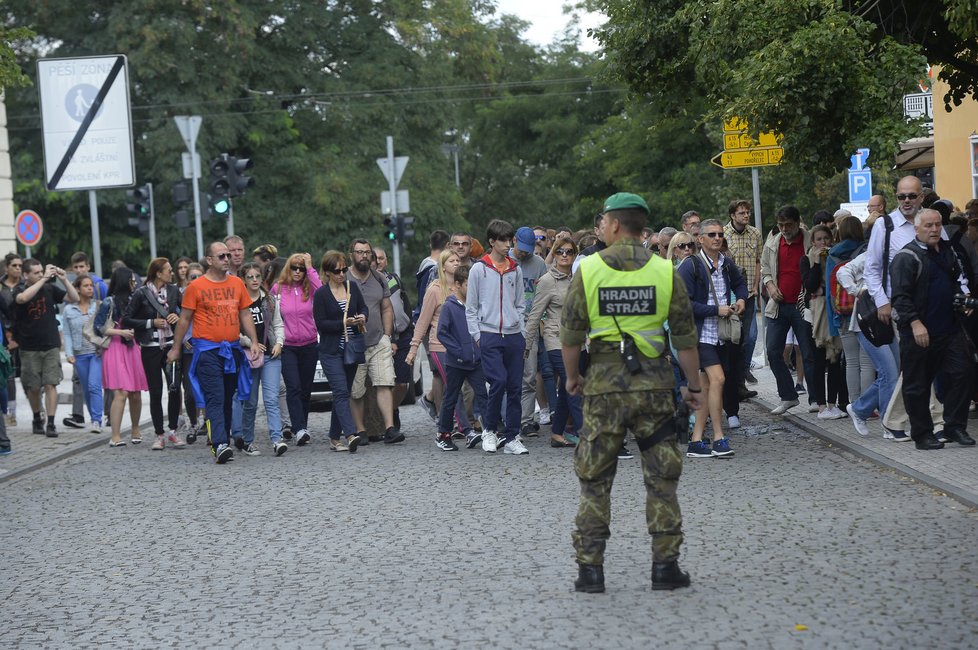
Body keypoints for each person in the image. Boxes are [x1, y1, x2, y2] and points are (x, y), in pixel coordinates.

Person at [561, 191, 701, 594]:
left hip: (604, 389)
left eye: (604, 220)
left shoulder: (587, 271)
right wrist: (692, 386)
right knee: (661, 479)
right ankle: (665, 567)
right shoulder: (664, 271)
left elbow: (570, 334)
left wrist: (573, 377)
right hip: (654, 388)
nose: (601, 226)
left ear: (617, 225)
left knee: (595, 481)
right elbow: (686, 338)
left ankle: (590, 571)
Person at [890, 208, 976, 450]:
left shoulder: (948, 251)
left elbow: (956, 282)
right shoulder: (906, 257)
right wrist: (916, 323)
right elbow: (900, 297)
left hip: (950, 329)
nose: (934, 229)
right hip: (918, 333)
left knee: (963, 373)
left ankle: (954, 426)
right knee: (917, 385)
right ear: (917, 229)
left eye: (937, 224)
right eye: (928, 225)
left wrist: (963, 301)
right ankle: (923, 433)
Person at [167, 242, 259, 464]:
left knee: (228, 397)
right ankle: (219, 444)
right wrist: (176, 348)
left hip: (232, 350)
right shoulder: (196, 287)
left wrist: (254, 341)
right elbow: (185, 320)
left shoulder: (237, 283)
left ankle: (222, 439)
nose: (227, 259)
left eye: (228, 255)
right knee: (215, 397)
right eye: (221, 256)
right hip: (208, 351)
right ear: (209, 260)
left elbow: (245, 315)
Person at [678, 219, 747, 456]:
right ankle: (719, 437)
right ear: (701, 239)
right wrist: (715, 310)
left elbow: (741, 284)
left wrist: (740, 300)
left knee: (707, 386)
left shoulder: (727, 264)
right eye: (712, 234)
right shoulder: (690, 266)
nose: (717, 238)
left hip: (721, 334)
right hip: (698, 334)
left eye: (720, 234)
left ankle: (696, 441)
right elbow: (684, 304)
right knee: (718, 379)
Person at [466, 219, 528, 455]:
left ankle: (512, 436)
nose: (508, 244)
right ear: (492, 241)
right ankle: (489, 430)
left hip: (513, 335)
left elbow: (521, 303)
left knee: (515, 386)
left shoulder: (516, 269)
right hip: (489, 334)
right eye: (503, 240)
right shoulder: (479, 269)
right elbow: (470, 307)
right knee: (498, 381)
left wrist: (521, 331)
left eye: (509, 240)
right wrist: (477, 336)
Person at [525, 235, 582, 448]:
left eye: (569, 251)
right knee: (572, 383)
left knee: (569, 388)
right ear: (554, 254)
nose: (564, 255)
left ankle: (557, 433)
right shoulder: (548, 281)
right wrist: (527, 346)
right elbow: (535, 314)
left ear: (575, 255)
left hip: (578, 341)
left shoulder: (578, 279)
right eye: (560, 251)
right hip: (555, 340)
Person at [124, 258, 186, 450]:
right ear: (158, 273)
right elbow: (127, 319)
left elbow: (187, 313)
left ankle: (173, 431)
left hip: (171, 345)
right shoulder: (141, 294)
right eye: (168, 270)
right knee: (156, 391)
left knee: (174, 388)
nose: (172, 273)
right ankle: (159, 434)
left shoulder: (175, 291)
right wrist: (151, 323)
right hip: (150, 347)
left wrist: (179, 316)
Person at [407, 249, 470, 438]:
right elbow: (423, 321)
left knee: (465, 385)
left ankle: (445, 424)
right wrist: (413, 348)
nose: (456, 263)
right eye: (451, 261)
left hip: (462, 345)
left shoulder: (465, 287)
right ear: (443, 267)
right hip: (440, 345)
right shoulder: (435, 289)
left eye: (458, 260)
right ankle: (465, 428)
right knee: (453, 385)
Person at [13, 259, 79, 436]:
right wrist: (44, 279)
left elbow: (75, 298)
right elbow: (23, 298)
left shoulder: (49, 289)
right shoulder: (19, 289)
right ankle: (36, 416)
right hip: (29, 347)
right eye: (36, 272)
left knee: (51, 384)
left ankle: (50, 422)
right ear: (26, 275)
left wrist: (64, 279)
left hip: (50, 345)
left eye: (42, 271)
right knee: (33, 387)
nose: (41, 274)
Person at [347, 239, 402, 444]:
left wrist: (387, 336)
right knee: (357, 389)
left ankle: (389, 428)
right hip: (354, 342)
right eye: (359, 252)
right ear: (351, 254)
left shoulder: (379, 278)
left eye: (367, 252)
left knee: (384, 382)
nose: (364, 256)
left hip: (378, 340)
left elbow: (387, 308)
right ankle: (360, 430)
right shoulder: (344, 278)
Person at [760, 205, 813, 414]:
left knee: (808, 353)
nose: (783, 229)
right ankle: (788, 396)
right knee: (773, 351)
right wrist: (770, 286)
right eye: (780, 225)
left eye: (788, 225)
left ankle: (816, 399)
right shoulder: (772, 242)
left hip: (802, 306)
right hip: (778, 306)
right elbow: (765, 268)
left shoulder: (809, 240)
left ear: (797, 222)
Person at [313, 251, 367, 452]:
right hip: (330, 350)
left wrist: (362, 316)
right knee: (341, 391)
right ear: (327, 272)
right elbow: (321, 324)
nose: (342, 274)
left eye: (344, 270)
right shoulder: (321, 294)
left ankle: (334, 437)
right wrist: (343, 322)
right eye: (337, 271)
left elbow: (363, 307)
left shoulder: (352, 287)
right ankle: (351, 434)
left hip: (351, 348)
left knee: (342, 393)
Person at [233, 263, 286, 457]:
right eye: (250, 277)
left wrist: (279, 342)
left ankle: (277, 439)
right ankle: (247, 440)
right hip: (250, 356)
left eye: (257, 277)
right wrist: (249, 342)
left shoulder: (270, 300)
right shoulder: (238, 302)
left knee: (271, 399)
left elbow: (279, 324)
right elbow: (234, 331)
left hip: (271, 355)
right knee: (251, 401)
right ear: (243, 280)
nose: (255, 280)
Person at [435, 265, 489, 451]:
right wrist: (459, 351)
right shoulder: (449, 306)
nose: (473, 289)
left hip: (476, 361)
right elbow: (442, 333)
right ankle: (443, 434)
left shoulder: (477, 306)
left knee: (483, 395)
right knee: (450, 397)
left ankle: (490, 431)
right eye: (468, 285)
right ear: (457, 285)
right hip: (456, 362)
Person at [271, 252, 321, 447]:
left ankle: (303, 426)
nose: (298, 271)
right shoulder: (279, 289)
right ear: (288, 269)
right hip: (288, 345)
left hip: (309, 343)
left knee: (306, 389)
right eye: (295, 267)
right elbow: (272, 315)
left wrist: (311, 267)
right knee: (294, 387)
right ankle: (299, 428)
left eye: (302, 268)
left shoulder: (310, 288)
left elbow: (323, 291)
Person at [94, 267, 147, 447]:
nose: (134, 282)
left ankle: (135, 429)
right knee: (121, 392)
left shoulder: (136, 298)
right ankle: (115, 435)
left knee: (136, 392)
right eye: (131, 280)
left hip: (134, 347)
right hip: (116, 347)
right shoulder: (108, 302)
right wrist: (121, 331)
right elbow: (98, 327)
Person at [799, 225, 847, 420]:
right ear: (813, 242)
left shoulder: (835, 259)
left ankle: (832, 404)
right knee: (818, 360)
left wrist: (824, 291)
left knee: (835, 358)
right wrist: (817, 263)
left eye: (826, 239)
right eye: (819, 239)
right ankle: (820, 406)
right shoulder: (806, 259)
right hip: (816, 316)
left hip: (833, 312)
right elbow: (809, 286)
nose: (823, 243)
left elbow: (838, 285)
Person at [826, 217, 873, 404]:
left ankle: (854, 403)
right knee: (867, 360)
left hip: (842, 313)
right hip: (865, 311)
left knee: (851, 361)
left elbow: (830, 292)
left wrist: (833, 322)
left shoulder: (832, 255)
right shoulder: (866, 251)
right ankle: (868, 406)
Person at [513, 226, 551, 437]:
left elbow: (544, 293)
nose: (525, 253)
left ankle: (526, 420)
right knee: (507, 377)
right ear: (514, 241)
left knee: (529, 375)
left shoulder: (538, 264)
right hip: (508, 326)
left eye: (529, 249)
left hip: (531, 325)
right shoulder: (507, 262)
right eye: (522, 249)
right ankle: (507, 418)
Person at [373, 246, 415, 432]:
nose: (379, 261)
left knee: (402, 382)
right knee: (385, 381)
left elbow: (404, 303)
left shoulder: (394, 279)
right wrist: (389, 338)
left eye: (382, 258)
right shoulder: (370, 283)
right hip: (382, 338)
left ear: (386, 260)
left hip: (404, 334)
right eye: (376, 258)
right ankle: (386, 420)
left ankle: (392, 409)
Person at [723, 200, 763, 388]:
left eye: (747, 212)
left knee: (752, 335)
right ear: (733, 215)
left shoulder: (755, 233)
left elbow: (757, 261)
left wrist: (756, 285)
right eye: (741, 213)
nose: (746, 216)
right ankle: (738, 381)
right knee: (735, 337)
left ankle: (745, 368)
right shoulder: (722, 233)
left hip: (749, 292)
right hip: (730, 295)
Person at [62, 274, 103, 433]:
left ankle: (97, 420)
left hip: (96, 352)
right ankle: (94, 417)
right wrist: (69, 353)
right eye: (85, 286)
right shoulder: (69, 310)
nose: (90, 288)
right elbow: (67, 333)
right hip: (79, 354)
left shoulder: (98, 306)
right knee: (86, 388)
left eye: (91, 285)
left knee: (94, 385)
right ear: (77, 289)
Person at [0, 253, 23, 426]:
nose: (17, 268)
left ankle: (39, 410)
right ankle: (10, 413)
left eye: (20, 265)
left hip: (24, 334)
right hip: (5, 335)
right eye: (14, 265)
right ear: (7, 267)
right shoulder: (1, 287)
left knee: (30, 376)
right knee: (8, 375)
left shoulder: (26, 284)